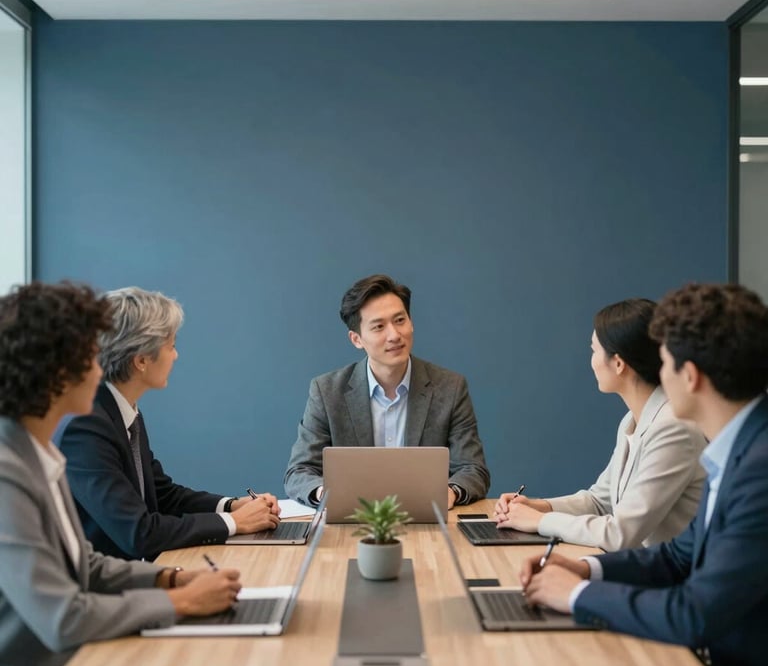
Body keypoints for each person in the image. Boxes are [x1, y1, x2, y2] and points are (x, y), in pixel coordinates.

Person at [521, 283, 768, 666]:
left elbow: (694, 613)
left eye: (665, 362)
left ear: (689, 377)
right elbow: (676, 556)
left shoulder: (759, 470)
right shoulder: (739, 446)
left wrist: (577, 595)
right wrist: (586, 571)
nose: (658, 372)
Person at [0, 282, 241, 666]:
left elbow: (85, 566)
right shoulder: (8, 473)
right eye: (89, 358)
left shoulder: (34, 452)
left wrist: (171, 578)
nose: (100, 369)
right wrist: (180, 603)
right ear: (55, 372)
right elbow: (63, 618)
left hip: (74, 648)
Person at [59, 287, 280, 561]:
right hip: (104, 591)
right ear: (141, 360)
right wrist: (235, 523)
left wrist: (232, 506)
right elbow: (138, 532)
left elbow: (163, 495)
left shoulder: (123, 411)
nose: (176, 356)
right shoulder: (86, 428)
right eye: (171, 345)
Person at [494, 299, 706, 550]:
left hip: (670, 579)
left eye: (594, 350)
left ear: (618, 363)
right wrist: (539, 506)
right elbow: (599, 501)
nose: (592, 361)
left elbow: (621, 535)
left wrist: (541, 521)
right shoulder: (632, 420)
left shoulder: (673, 428)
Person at [284, 274, 490, 509]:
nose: (394, 335)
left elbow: (473, 469)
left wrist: (450, 493)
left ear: (411, 322)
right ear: (356, 339)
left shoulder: (450, 388)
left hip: (429, 521)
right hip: (354, 522)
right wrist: (327, 494)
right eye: (379, 326)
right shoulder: (327, 392)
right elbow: (299, 471)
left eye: (400, 320)